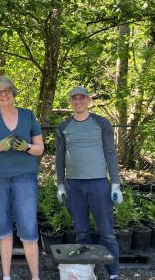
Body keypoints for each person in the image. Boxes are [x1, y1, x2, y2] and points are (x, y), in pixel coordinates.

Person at [0, 76, 44, 280]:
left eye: (7, 90)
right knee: (3, 226)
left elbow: (40, 149)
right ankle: (6, 276)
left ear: (13, 92)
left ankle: (35, 277)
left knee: (29, 226)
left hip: (25, 176)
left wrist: (26, 147)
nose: (3, 94)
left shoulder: (28, 116)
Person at [55, 86, 123, 280]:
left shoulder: (101, 123)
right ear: (70, 101)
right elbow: (59, 157)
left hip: (99, 184)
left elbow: (110, 153)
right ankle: (86, 272)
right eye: (74, 98)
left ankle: (114, 274)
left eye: (81, 98)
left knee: (107, 233)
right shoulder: (64, 126)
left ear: (88, 100)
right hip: (73, 186)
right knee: (81, 232)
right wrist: (60, 184)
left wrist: (115, 184)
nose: (78, 101)